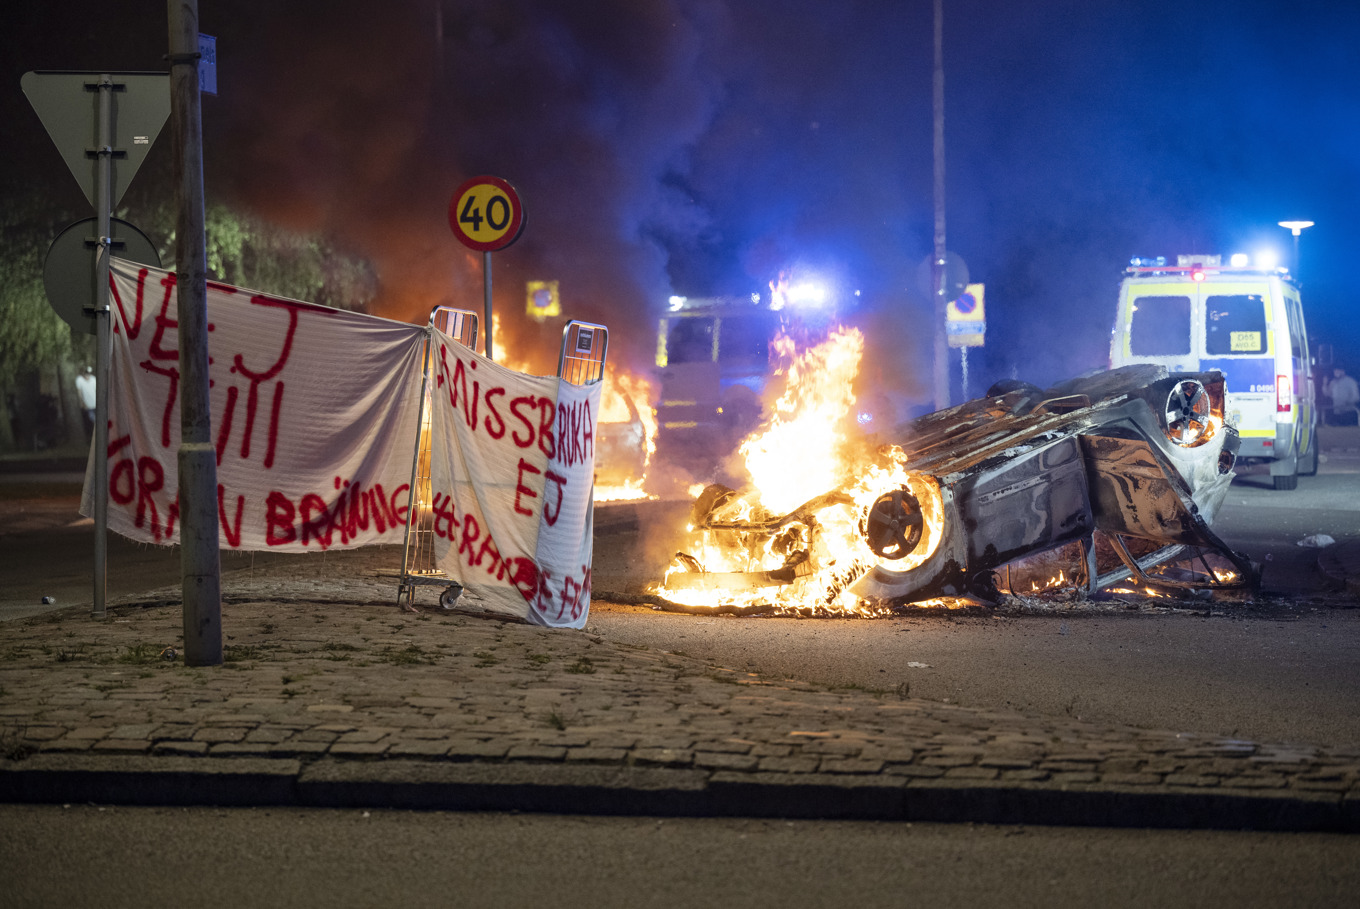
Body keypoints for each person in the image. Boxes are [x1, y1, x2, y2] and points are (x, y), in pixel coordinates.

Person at [75, 366, 97, 437]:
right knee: (91, 421)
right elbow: (79, 392)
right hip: (88, 406)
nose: (87, 375)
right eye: (86, 373)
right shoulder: (79, 380)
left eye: (89, 373)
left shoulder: (94, 379)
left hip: (96, 404)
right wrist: (82, 402)